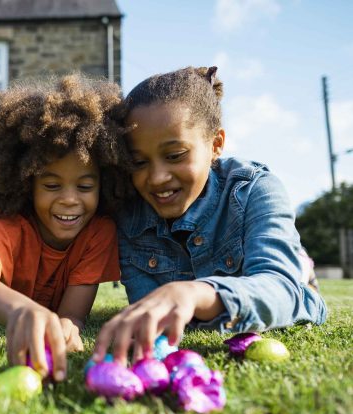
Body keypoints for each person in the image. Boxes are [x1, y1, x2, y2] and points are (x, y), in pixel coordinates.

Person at [92, 66, 327, 365]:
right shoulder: (129, 216)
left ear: (215, 144)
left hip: (272, 277)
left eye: (175, 156)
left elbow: (285, 294)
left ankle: (299, 262)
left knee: (290, 274)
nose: (157, 177)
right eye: (139, 162)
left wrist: (196, 294)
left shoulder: (256, 190)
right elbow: (151, 313)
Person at [0, 74, 131, 382]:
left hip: (19, 282)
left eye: (84, 185)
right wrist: (17, 310)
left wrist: (69, 325)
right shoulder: (10, 222)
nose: (70, 200)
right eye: (52, 185)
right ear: (27, 185)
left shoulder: (99, 232)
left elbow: (73, 314)